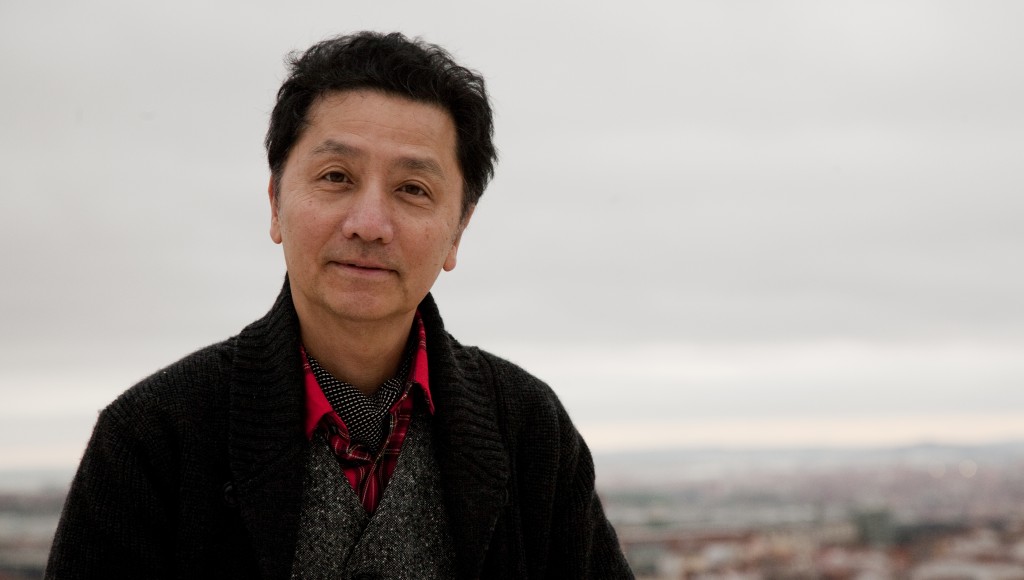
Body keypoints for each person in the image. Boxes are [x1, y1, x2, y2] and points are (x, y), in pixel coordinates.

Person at [46, 31, 632, 579]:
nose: (369, 224)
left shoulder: (530, 429)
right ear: (275, 203)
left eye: (413, 189)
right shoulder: (152, 438)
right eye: (335, 176)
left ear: (458, 230)